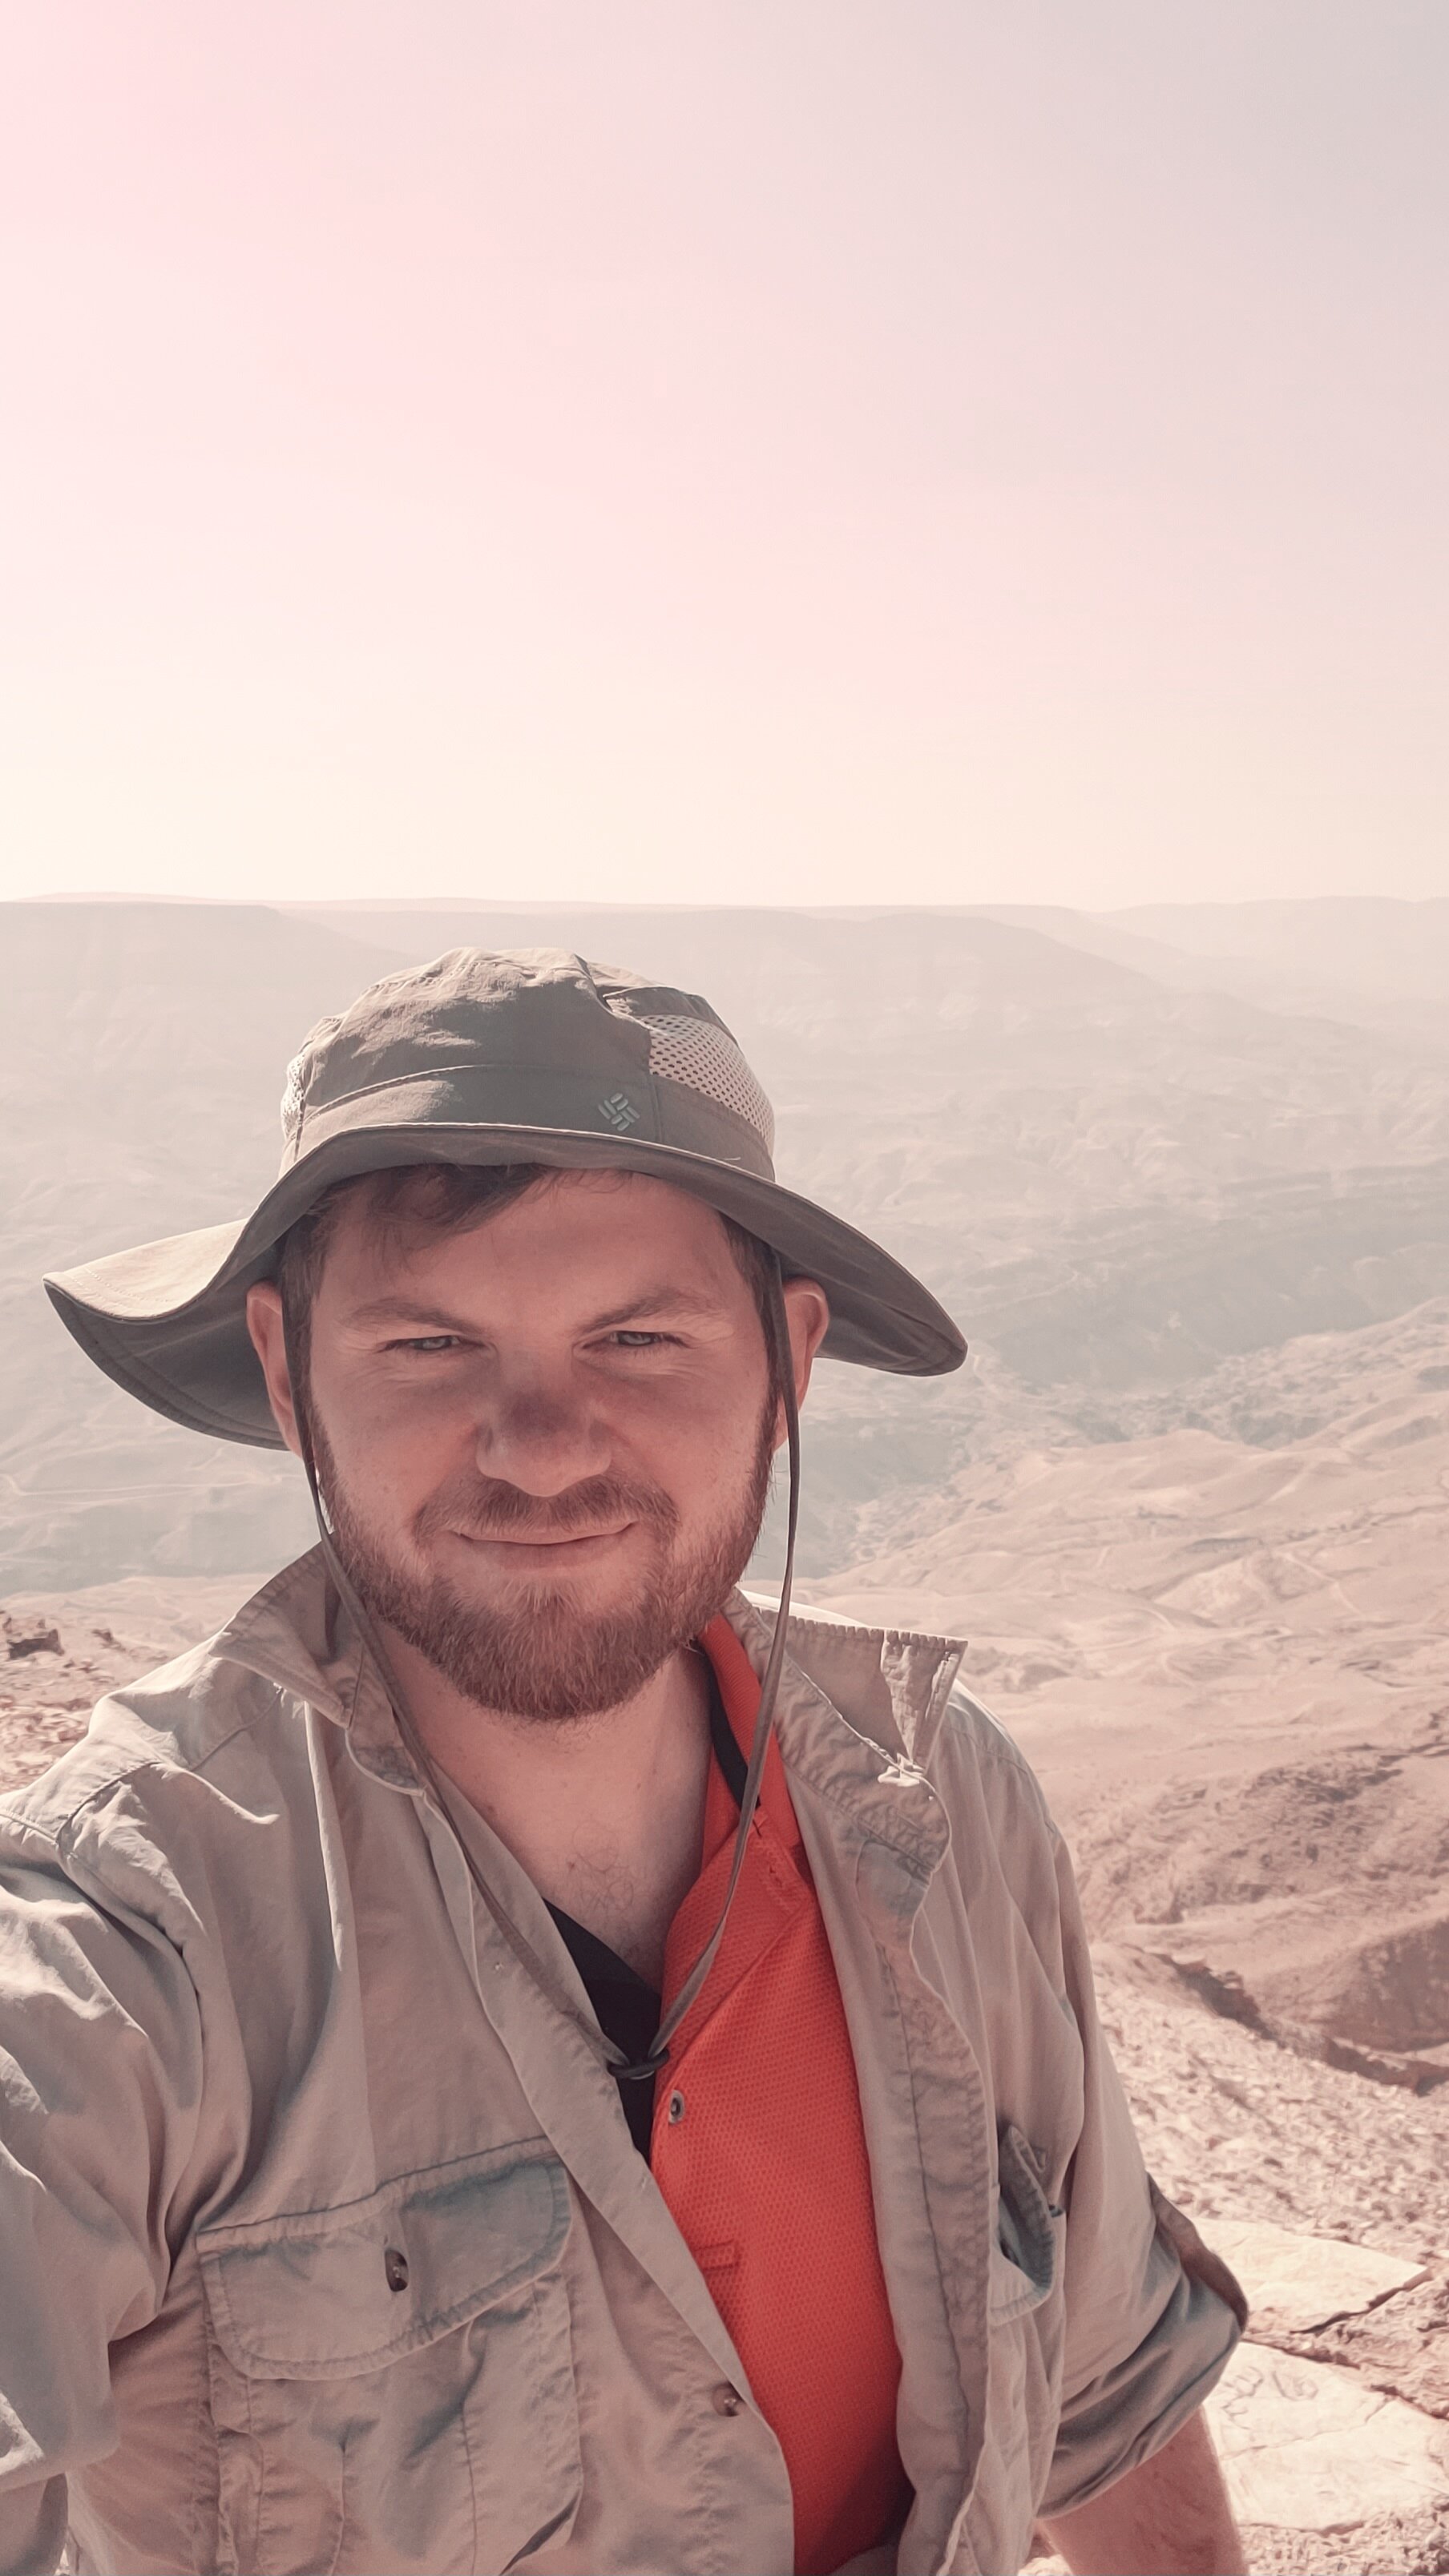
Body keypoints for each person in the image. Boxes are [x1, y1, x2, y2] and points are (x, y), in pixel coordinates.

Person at [2, 947, 1246, 2576]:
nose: (539, 1445)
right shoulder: (129, 1931)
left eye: (639, 1341)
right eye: (430, 1348)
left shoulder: (943, 1811)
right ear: (291, 1376)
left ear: (786, 1365)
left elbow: (1104, 2387)